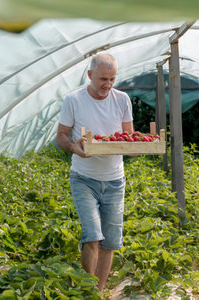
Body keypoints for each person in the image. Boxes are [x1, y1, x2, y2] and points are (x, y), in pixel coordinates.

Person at [56, 53, 134, 292]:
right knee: (92, 235)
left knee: (109, 241)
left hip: (114, 181)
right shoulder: (74, 100)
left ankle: (98, 292)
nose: (108, 85)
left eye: (112, 79)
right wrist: (74, 148)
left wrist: (137, 147)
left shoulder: (122, 100)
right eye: (103, 79)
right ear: (89, 75)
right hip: (84, 179)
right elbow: (61, 136)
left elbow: (129, 137)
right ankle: (87, 290)